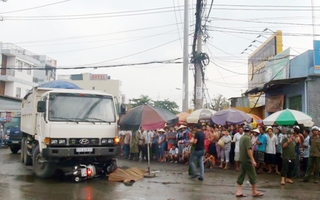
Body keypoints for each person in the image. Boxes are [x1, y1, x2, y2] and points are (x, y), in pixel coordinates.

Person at [235, 124, 263, 198]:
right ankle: (254, 191)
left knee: (241, 174)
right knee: (252, 175)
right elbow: (249, 150)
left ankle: (239, 191)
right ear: (250, 131)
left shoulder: (242, 138)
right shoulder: (247, 138)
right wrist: (253, 160)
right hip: (247, 160)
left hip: (242, 158)